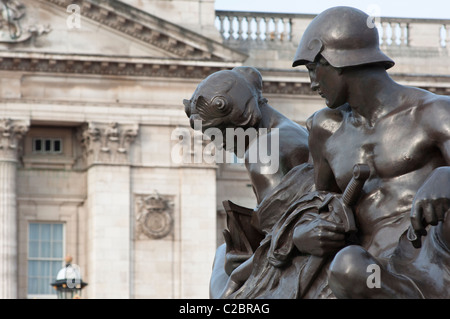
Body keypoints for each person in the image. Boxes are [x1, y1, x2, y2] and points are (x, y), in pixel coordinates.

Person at [292, 6, 450, 298]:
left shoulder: (434, 112)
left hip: (435, 262)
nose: (312, 83)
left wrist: (447, 175)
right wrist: (301, 235)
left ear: (338, 63)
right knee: (348, 266)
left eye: (314, 70)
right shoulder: (324, 131)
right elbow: (320, 205)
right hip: (371, 270)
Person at [184, 66, 314, 298]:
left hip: (296, 267)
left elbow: (281, 244)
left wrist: (236, 273)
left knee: (222, 258)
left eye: (219, 134)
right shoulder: (292, 132)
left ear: (240, 119)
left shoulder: (264, 152)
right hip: (301, 249)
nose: (220, 145)